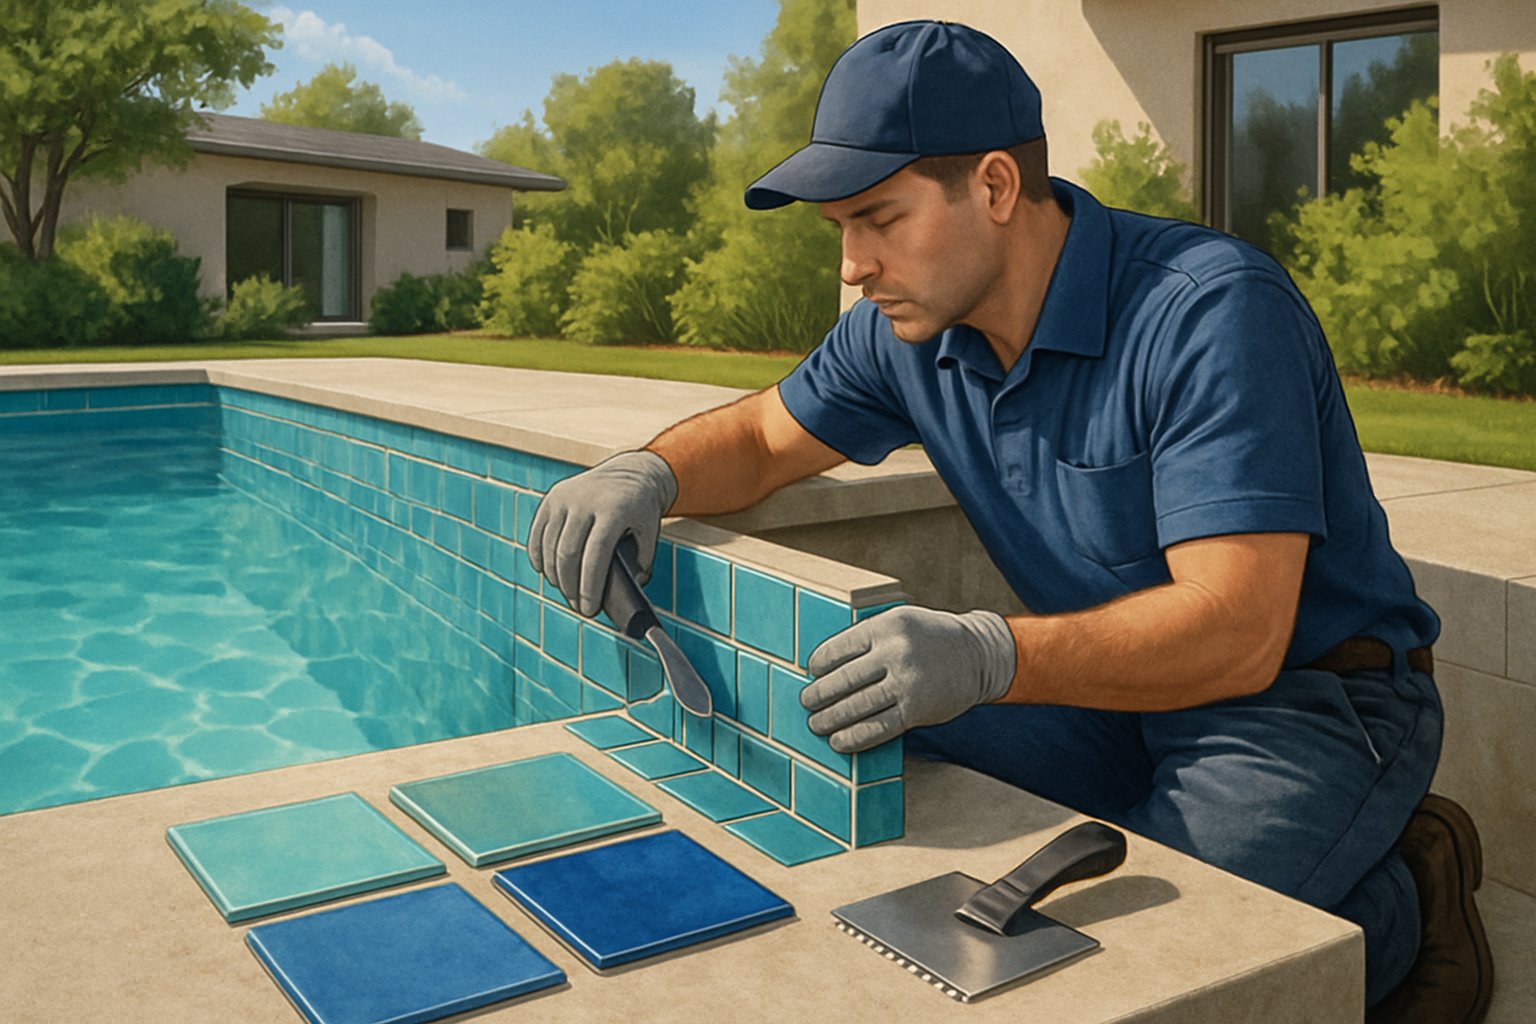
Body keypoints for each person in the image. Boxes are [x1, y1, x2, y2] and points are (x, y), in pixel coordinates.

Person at [527, 19, 1492, 1023]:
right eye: (838, 230)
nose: (854, 265)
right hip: (1106, 694)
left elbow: (1239, 630)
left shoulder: (1209, 312)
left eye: (880, 219)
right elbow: (767, 437)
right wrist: (647, 470)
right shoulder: (906, 334)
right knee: (865, 749)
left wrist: (988, 654)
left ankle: (1398, 898)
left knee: (1153, 970)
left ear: (993, 187)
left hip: (1306, 706)